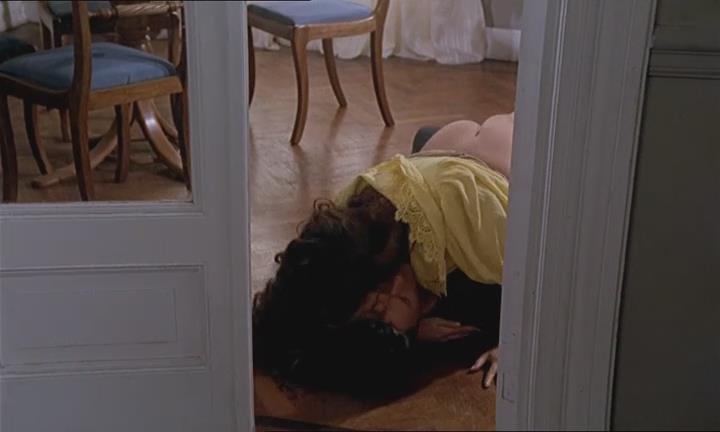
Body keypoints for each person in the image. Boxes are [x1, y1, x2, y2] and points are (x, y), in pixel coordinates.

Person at [253, 113, 514, 396]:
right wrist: (411, 333)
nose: (392, 293)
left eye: (378, 298)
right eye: (381, 318)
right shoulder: (363, 242)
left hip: (506, 157)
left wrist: (514, 346)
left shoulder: (478, 226)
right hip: (446, 153)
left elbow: (550, 284)